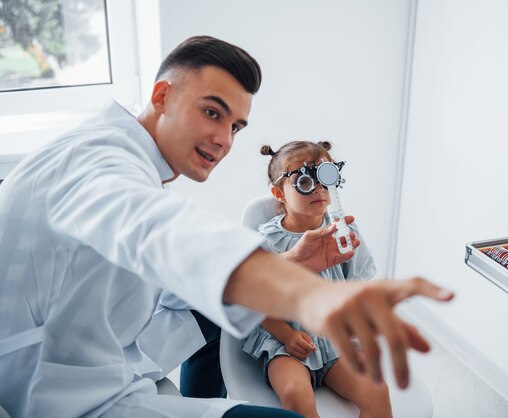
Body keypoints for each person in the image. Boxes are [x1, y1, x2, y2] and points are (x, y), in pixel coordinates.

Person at [0, 35, 453, 418]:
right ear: (162, 97)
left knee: (210, 307)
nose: (224, 139)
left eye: (236, 125)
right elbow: (162, 231)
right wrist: (309, 293)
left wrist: (293, 261)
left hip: (98, 356)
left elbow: (174, 275)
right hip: (58, 390)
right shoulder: (101, 164)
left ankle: (203, 399)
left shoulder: (128, 160)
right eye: (212, 113)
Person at [241, 140, 392, 418]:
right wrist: (286, 335)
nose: (319, 190)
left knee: (376, 388)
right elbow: (252, 301)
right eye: (305, 182)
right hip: (286, 345)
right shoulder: (266, 241)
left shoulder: (343, 231)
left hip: (334, 340)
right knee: (295, 393)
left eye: (325, 178)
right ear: (279, 193)